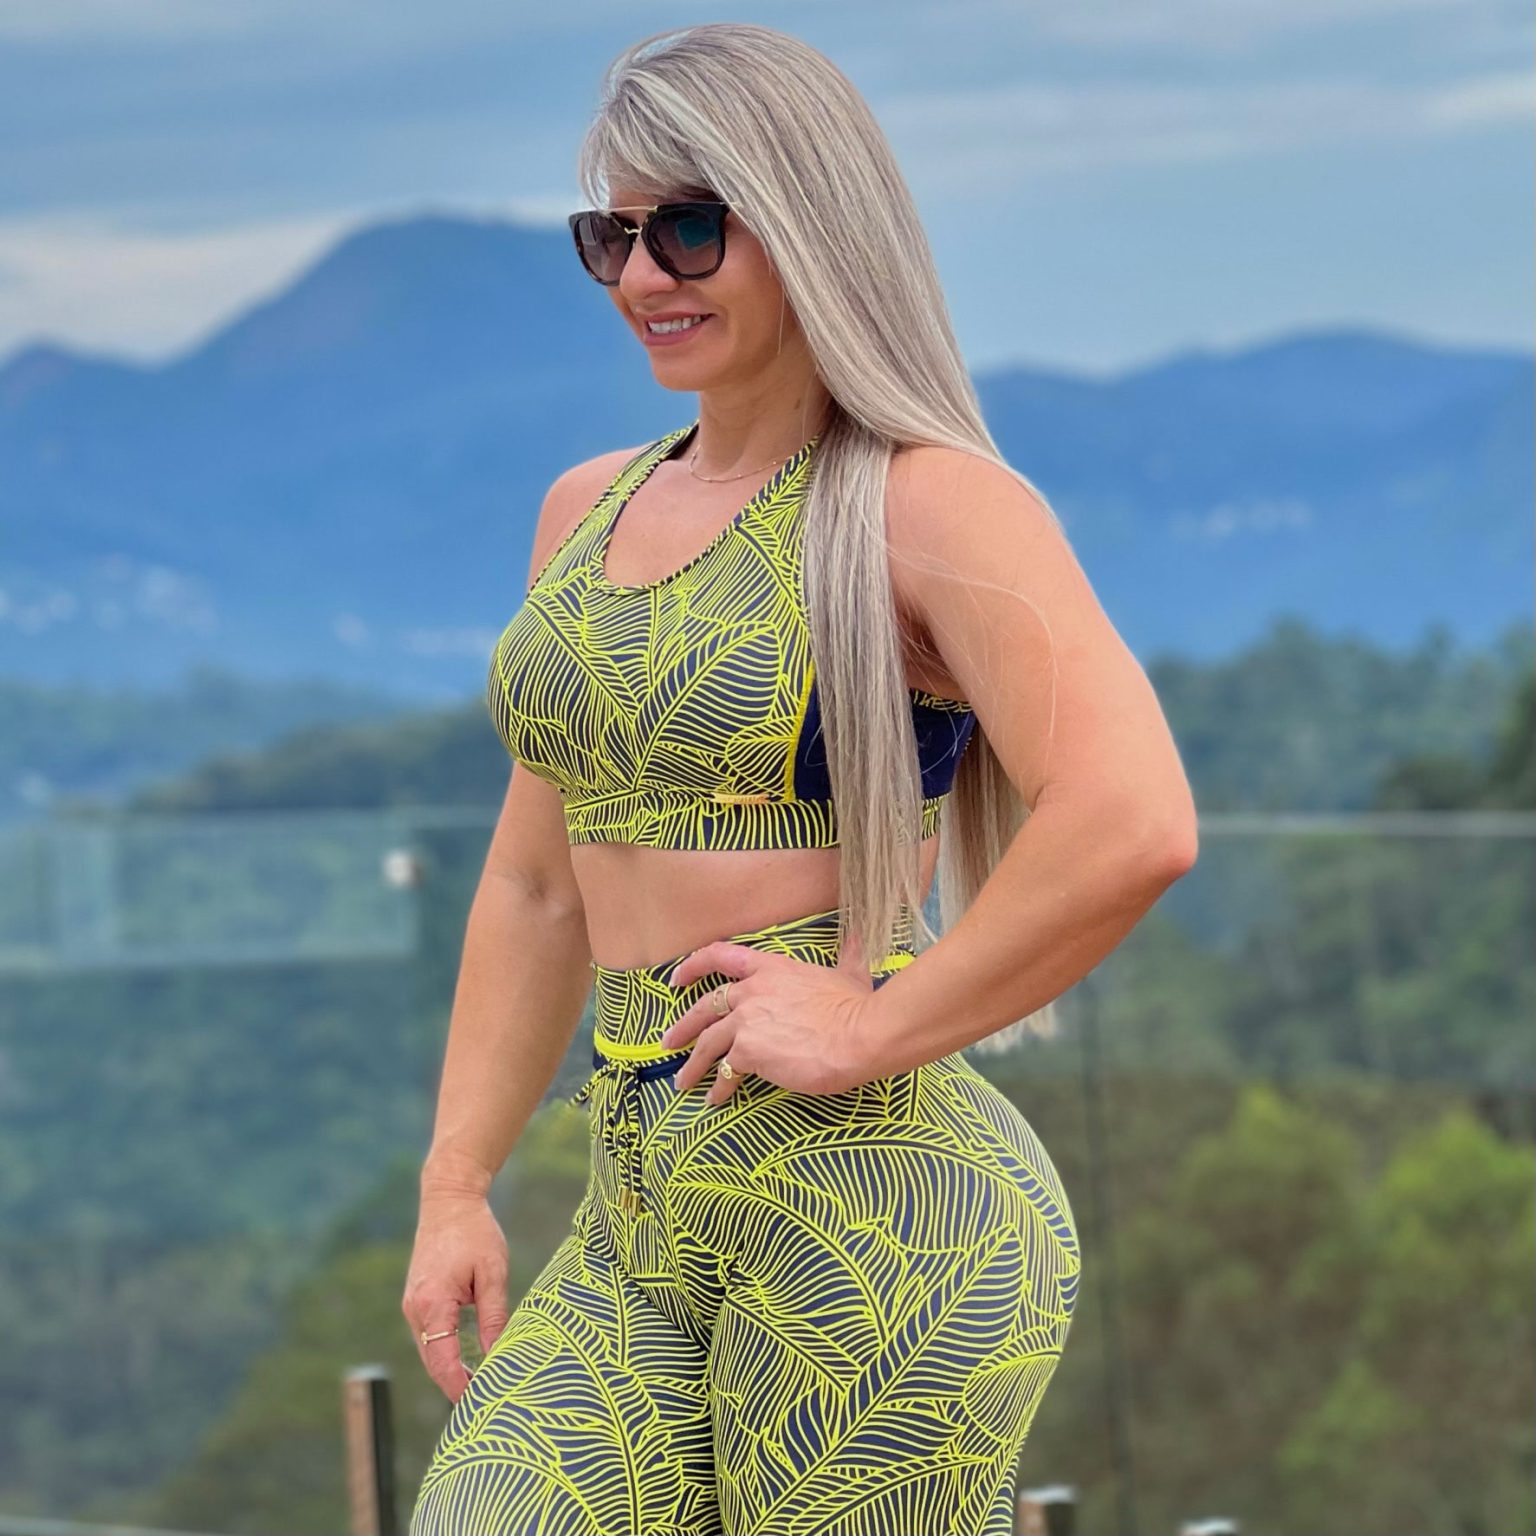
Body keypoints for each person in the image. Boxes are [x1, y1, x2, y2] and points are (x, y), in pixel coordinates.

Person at [403, 20, 1197, 1536]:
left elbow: (1135, 819)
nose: (645, 275)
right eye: (613, 236)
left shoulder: (927, 505)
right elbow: (535, 882)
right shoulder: (585, 509)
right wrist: (457, 1184)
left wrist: (874, 1024)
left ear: (807, 221)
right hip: (641, 1207)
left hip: (882, 1216)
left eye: (691, 229)